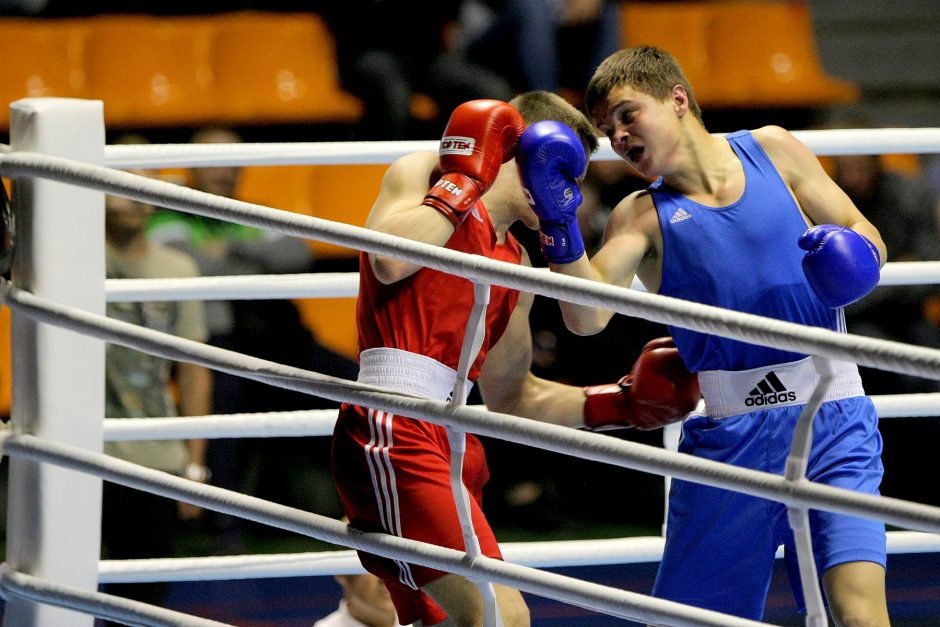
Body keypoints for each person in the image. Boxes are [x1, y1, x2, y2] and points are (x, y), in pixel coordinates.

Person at [515, 46, 891, 624]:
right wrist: (561, 228)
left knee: (859, 612)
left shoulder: (773, 148)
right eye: (608, 130)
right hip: (731, 441)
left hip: (832, 417)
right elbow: (584, 317)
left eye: (626, 115)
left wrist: (856, 255)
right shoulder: (639, 214)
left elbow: (865, 233)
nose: (618, 136)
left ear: (678, 99)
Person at [331, 91, 702, 627]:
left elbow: (512, 396)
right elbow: (388, 260)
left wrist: (619, 405)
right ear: (526, 148)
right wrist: (465, 179)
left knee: (439, 620)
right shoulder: (427, 173)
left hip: (451, 438)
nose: (569, 191)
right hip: (393, 428)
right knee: (501, 617)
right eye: (565, 170)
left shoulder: (518, 263)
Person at [149, 126, 358, 553]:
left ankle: (380, 504)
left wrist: (227, 256)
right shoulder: (167, 217)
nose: (223, 173)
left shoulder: (254, 212)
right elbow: (192, 269)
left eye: (231, 163)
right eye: (212, 163)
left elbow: (298, 256)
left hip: (279, 341)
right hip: (212, 345)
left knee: (361, 388)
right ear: (191, 167)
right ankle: (222, 523)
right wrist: (248, 262)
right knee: (223, 400)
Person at [101, 137, 212, 618]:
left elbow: (193, 368)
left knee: (145, 604)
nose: (136, 190)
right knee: (68, 592)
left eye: (147, 177)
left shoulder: (178, 268)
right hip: (81, 453)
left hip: (157, 459)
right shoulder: (63, 260)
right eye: (123, 178)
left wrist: (193, 464)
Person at [317, 1, 514, 140]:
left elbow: (447, 17)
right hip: (367, 52)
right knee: (394, 95)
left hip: (424, 56)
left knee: (491, 92)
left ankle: (456, 168)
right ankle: (381, 173)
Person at [460, 0, 621, 105]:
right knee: (533, 7)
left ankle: (604, 106)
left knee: (605, 6)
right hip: (483, 38)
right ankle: (548, 111)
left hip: (542, 41)